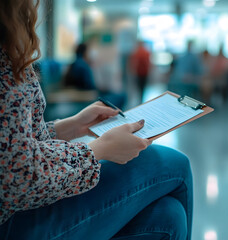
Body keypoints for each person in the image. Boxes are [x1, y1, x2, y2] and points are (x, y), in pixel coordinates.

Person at [0, 1, 193, 240]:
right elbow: (17, 176)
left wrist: (69, 127)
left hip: (17, 206)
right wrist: (98, 149)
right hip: (11, 220)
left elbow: (12, 145)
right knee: (172, 163)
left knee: (169, 218)